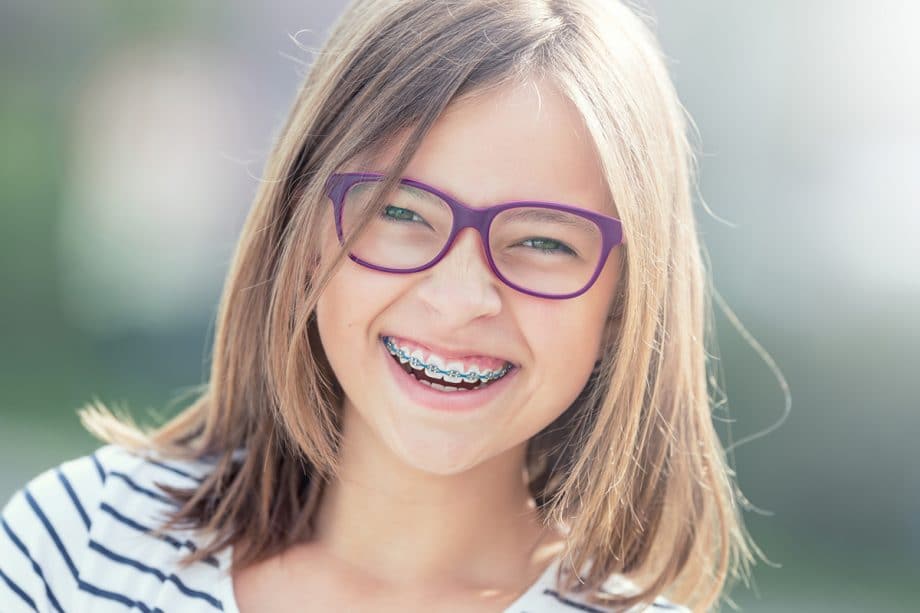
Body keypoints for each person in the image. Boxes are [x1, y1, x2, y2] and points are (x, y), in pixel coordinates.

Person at [1, 0, 759, 611]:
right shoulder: (78, 543)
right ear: (301, 241)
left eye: (544, 242)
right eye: (399, 214)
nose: (461, 299)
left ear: (623, 302)